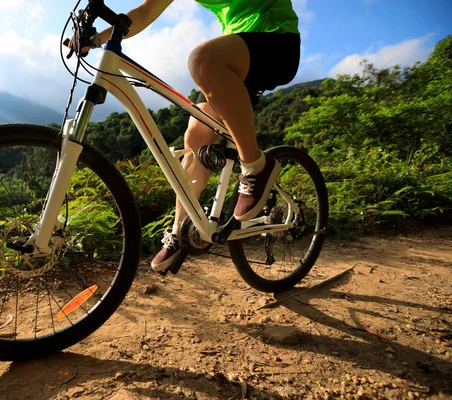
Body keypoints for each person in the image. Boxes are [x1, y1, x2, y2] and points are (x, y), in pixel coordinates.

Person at [93, 0, 301, 274]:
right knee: (195, 137)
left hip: (276, 42)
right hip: (237, 59)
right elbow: (144, 12)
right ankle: (181, 230)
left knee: (202, 60)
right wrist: (97, 38)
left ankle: (256, 166)